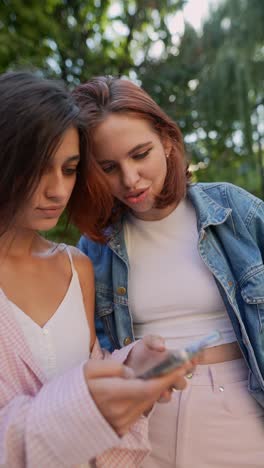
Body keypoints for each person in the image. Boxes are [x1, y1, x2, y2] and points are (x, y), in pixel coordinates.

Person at [0, 71, 194, 468]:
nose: (56, 190)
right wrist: (82, 406)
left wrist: (131, 363)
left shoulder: (78, 266)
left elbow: (89, 369)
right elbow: (81, 398)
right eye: (37, 168)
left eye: (69, 169)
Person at [73, 76, 264, 468]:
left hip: (242, 410)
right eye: (109, 167)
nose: (129, 180)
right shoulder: (95, 247)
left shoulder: (233, 210)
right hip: (143, 423)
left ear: (167, 141)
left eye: (140, 154)